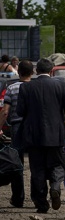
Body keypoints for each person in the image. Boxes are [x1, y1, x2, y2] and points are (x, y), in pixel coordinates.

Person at [16, 58, 65, 214]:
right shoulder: (61, 85)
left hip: (34, 136)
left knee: (37, 169)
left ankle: (41, 204)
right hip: (56, 134)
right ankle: (55, 186)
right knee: (58, 164)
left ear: (36, 71)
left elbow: (19, 111)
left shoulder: (26, 87)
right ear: (52, 70)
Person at [0, 59, 33, 208]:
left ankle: (18, 198)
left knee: (17, 163)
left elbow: (5, 111)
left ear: (18, 72)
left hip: (17, 128)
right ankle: (38, 196)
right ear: (32, 73)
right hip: (34, 128)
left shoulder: (11, 88)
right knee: (36, 163)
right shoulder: (35, 88)